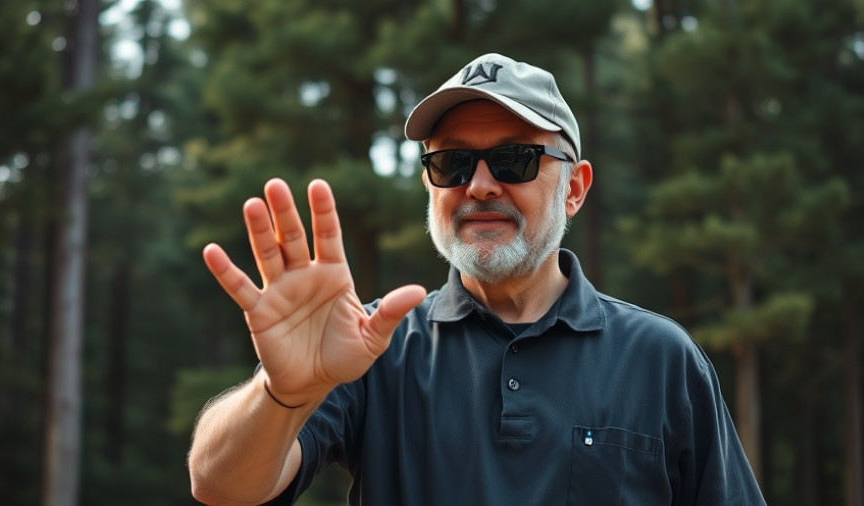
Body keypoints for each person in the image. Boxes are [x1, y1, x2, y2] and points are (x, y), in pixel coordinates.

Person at [188, 53, 766, 505]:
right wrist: (283, 393)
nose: (481, 185)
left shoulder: (661, 358)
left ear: (574, 189)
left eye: (514, 159)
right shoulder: (371, 349)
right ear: (430, 185)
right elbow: (220, 487)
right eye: (452, 162)